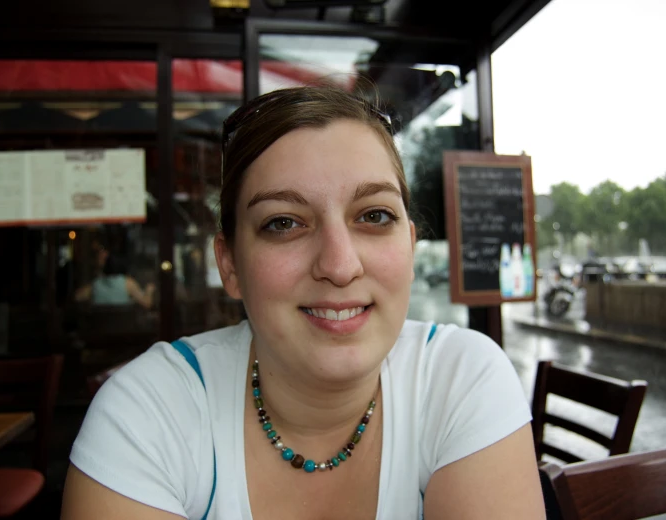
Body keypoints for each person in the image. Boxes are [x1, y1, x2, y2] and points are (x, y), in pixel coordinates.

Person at [61, 86, 546, 519]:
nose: (339, 265)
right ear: (229, 265)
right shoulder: (151, 413)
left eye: (374, 215)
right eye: (283, 223)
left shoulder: (460, 381)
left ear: (411, 247)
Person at [74, 253, 155, 309]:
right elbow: (147, 303)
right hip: (122, 329)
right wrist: (149, 290)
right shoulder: (128, 283)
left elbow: (77, 297)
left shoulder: (96, 284)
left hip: (99, 329)